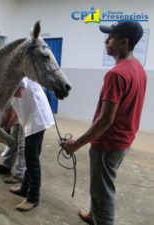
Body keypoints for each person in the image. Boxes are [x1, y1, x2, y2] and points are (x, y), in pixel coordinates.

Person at [61, 21, 146, 225]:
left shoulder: (116, 74)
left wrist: (76, 144)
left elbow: (105, 120)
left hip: (108, 144)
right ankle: (93, 215)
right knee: (102, 183)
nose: (106, 41)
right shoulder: (138, 68)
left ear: (124, 42)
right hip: (124, 141)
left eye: (111, 37)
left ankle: (101, 218)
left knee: (102, 193)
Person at [0, 77, 54, 212]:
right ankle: (24, 188)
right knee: (29, 156)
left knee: (32, 159)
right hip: (31, 117)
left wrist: (4, 128)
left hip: (37, 118)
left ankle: (33, 198)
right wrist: (3, 127)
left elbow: (20, 93)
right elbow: (10, 111)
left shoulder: (18, 75)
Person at [0, 82, 26, 185]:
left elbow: (15, 116)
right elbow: (7, 111)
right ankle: (6, 166)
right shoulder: (7, 91)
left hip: (28, 119)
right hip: (19, 117)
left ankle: (20, 175)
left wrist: (4, 130)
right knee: (12, 142)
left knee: (22, 147)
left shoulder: (20, 91)